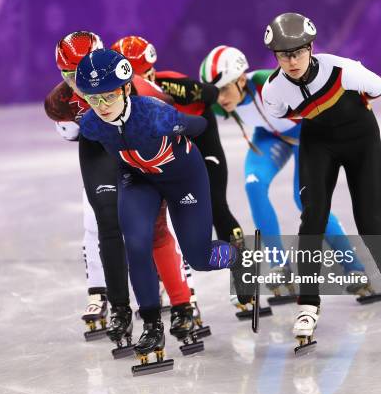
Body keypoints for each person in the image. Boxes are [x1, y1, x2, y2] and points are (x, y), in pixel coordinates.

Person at [261, 13, 381, 355]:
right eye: (282, 54)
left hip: (361, 142)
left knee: (369, 222)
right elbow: (279, 113)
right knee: (313, 218)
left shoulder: (342, 69)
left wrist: (358, 96)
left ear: (310, 48)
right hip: (318, 145)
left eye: (296, 52)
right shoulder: (273, 90)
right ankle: (307, 306)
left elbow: (379, 86)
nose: (291, 61)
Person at [75, 48, 250, 372]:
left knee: (199, 257)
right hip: (138, 180)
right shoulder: (90, 124)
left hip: (183, 178)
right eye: (93, 98)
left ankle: (238, 256)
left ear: (126, 88)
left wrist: (202, 155)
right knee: (137, 244)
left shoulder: (155, 114)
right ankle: (152, 327)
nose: (102, 106)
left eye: (108, 96)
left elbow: (198, 125)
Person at [44, 31, 205, 351]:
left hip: (140, 149)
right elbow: (68, 126)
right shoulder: (60, 102)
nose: (77, 82)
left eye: (82, 73)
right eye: (68, 76)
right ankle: (120, 309)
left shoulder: (139, 87)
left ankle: (182, 301)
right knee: (106, 218)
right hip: (101, 147)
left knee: (155, 229)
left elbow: (172, 115)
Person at [198, 45, 381, 305]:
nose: (220, 99)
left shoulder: (269, 84)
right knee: (253, 184)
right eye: (214, 93)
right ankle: (279, 266)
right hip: (268, 136)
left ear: (242, 79)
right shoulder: (220, 104)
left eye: (225, 89)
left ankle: (353, 268)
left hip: (305, 135)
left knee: (306, 203)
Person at [111, 36, 258, 318]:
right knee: (159, 223)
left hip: (201, 145)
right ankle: (179, 291)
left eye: (142, 74)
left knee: (216, 205)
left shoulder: (169, 84)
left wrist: (183, 98)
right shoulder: (124, 98)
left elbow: (212, 96)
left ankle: (243, 268)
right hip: (168, 155)